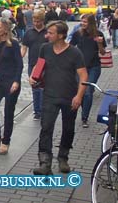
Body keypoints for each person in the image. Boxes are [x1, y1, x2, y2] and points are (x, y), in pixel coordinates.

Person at [30, 21, 87, 175]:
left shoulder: (75, 53)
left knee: (68, 128)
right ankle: (45, 162)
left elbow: (83, 75)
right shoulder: (45, 48)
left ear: (61, 35)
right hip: (49, 94)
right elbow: (38, 66)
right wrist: (32, 77)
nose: (47, 35)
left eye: (51, 33)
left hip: (69, 96)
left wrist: (79, 96)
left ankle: (63, 157)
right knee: (46, 127)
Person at [0, 18, 23, 154]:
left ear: (6, 30)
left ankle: (6, 141)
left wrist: (17, 81)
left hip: (11, 81)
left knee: (8, 112)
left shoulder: (13, 44)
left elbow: (20, 64)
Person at [69, 14, 106, 128]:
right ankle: (82, 111)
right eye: (82, 21)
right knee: (81, 91)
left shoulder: (98, 34)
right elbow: (70, 47)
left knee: (88, 92)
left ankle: (84, 117)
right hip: (80, 68)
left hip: (94, 66)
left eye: (85, 22)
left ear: (91, 23)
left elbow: (103, 52)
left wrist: (99, 43)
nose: (82, 24)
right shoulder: (78, 34)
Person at [21, 10, 47, 120]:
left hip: (45, 63)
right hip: (33, 63)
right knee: (35, 87)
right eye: (34, 21)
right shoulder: (29, 33)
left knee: (44, 88)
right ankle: (37, 111)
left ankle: (43, 109)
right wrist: (19, 57)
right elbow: (24, 47)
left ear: (42, 20)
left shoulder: (47, 33)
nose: (36, 23)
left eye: (38, 21)